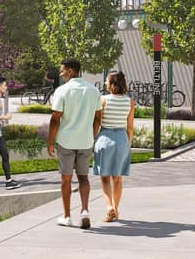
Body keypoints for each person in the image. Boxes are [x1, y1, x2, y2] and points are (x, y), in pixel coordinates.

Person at [47, 58, 101, 228]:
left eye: (62, 70)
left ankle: (67, 216)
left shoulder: (62, 91)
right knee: (84, 177)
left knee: (66, 179)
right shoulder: (93, 91)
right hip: (85, 141)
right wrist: (91, 135)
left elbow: (55, 118)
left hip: (66, 141)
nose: (60, 73)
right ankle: (85, 210)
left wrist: (50, 141)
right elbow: (98, 118)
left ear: (70, 71)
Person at [92, 70, 135, 221]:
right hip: (122, 139)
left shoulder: (103, 100)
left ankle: (109, 207)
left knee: (105, 178)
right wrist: (128, 143)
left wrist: (92, 138)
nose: (105, 83)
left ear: (111, 83)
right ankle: (116, 210)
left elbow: (97, 122)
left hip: (105, 138)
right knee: (117, 178)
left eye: (106, 80)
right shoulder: (129, 101)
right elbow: (130, 127)